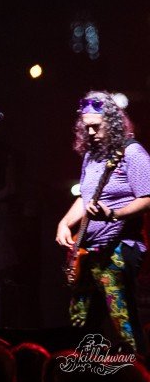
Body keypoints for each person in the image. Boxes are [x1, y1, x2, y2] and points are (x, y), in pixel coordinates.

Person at [54, 91, 150, 353]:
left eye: (96, 127)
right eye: (86, 128)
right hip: (88, 253)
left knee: (123, 322)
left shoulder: (133, 153)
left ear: (113, 122)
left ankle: (138, 374)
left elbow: (148, 197)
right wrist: (65, 223)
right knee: (81, 321)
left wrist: (114, 214)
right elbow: (86, 197)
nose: (91, 133)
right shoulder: (92, 156)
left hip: (118, 249)